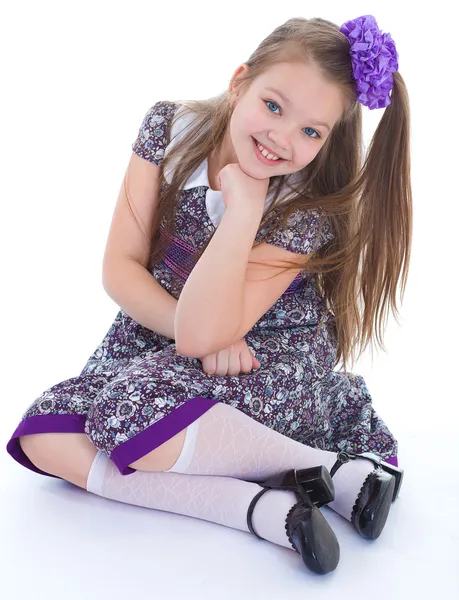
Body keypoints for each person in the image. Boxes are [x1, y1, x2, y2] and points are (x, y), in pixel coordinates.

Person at [6, 14, 411, 575]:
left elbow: (211, 330)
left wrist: (245, 208)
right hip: (164, 331)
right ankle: (268, 507)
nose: (281, 138)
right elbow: (119, 270)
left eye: (311, 132)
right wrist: (195, 332)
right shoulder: (170, 130)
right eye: (273, 106)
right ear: (240, 81)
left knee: (128, 421)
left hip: (264, 359)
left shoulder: (304, 210)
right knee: (43, 437)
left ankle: (331, 465)